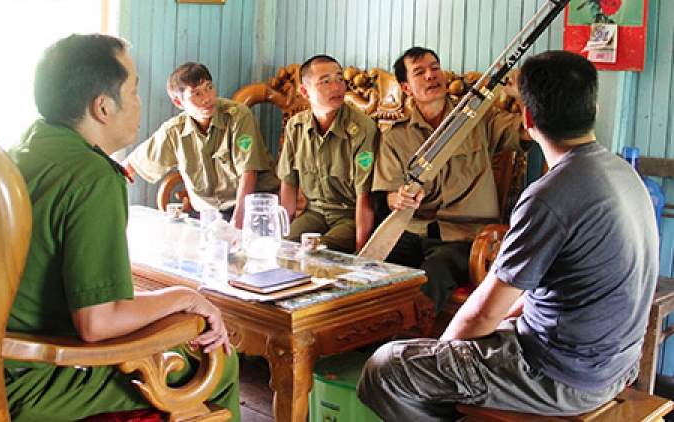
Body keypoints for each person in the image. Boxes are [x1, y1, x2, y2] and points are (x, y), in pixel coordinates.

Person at [0, 34, 240, 421]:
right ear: (102, 107)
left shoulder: (27, 146)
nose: (138, 102)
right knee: (218, 362)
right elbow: (98, 323)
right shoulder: (94, 176)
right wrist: (186, 296)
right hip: (30, 383)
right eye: (133, 91)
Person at [357, 50, 658, 420]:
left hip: (564, 378)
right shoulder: (623, 172)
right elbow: (525, 296)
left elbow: (481, 315)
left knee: (386, 368)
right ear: (592, 110)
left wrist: (444, 357)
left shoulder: (550, 195)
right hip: (617, 364)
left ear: (528, 118)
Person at [373, 46, 528, 311]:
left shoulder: (479, 119)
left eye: (435, 68)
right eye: (419, 72)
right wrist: (398, 198)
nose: (431, 76)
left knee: (429, 282)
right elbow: (387, 193)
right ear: (406, 87)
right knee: (369, 275)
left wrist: (522, 93)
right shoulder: (395, 136)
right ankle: (362, 343)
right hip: (413, 230)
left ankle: (406, 347)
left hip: (464, 236)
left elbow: (529, 130)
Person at [124, 62, 279, 229]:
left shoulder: (238, 116)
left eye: (209, 87)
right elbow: (132, 165)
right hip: (207, 216)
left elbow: (249, 172)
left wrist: (239, 222)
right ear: (178, 102)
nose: (207, 98)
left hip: (250, 209)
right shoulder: (175, 131)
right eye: (196, 94)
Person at [277, 54, 379, 253]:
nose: (336, 87)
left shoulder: (363, 129)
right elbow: (288, 184)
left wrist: (361, 254)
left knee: (319, 251)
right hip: (314, 213)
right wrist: (283, 235)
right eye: (325, 82)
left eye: (340, 79)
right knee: (284, 248)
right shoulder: (295, 127)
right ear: (305, 92)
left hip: (349, 217)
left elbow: (365, 198)